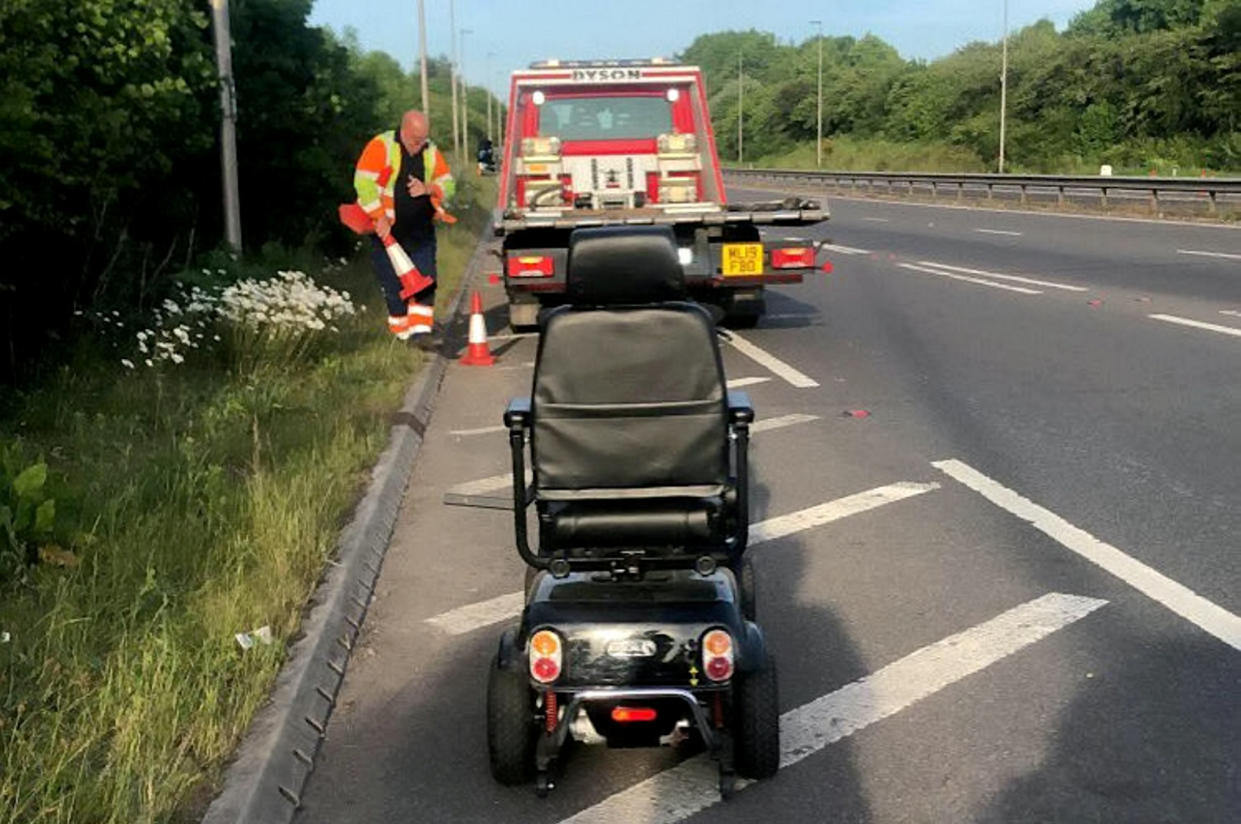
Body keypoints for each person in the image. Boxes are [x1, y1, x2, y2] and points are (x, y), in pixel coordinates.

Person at [353, 110, 454, 348]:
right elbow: (363, 182)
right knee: (393, 284)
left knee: (426, 280)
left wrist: (429, 188)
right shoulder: (382, 146)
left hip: (421, 232)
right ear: (404, 130)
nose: (419, 146)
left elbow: (448, 184)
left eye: (423, 140)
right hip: (387, 234)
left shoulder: (430, 151)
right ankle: (401, 334)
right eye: (415, 140)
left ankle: (421, 333)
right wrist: (378, 216)